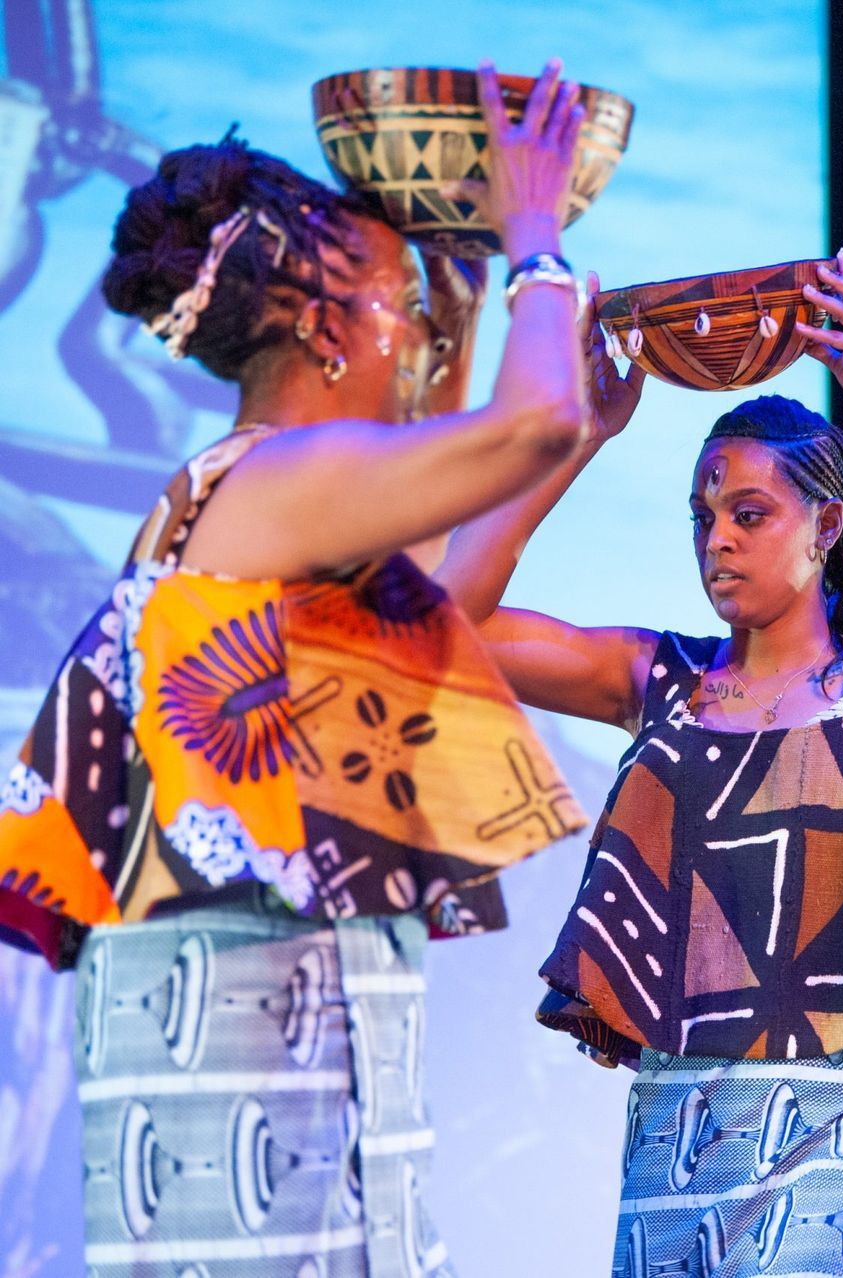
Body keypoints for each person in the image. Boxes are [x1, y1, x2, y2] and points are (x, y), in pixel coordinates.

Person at [0, 61, 599, 1276]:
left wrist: (475, 326)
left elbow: (443, 583)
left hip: (281, 1038)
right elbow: (528, 427)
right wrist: (536, 233)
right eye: (401, 311)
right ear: (327, 327)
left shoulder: (265, 489)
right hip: (245, 1066)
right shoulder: (278, 479)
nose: (415, 335)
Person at [433, 250, 843, 1275]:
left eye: (750, 514)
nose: (718, 540)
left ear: (826, 525)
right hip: (680, 1140)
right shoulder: (655, 678)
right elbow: (445, 619)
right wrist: (575, 437)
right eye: (704, 517)